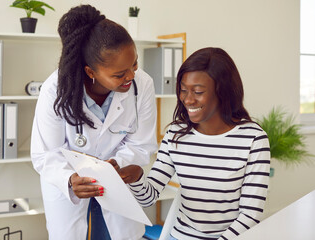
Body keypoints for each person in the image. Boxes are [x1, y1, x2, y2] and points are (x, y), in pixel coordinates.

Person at [30, 4, 157, 240]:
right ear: (91, 71)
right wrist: (69, 180)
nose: (131, 76)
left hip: (118, 183)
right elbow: (45, 154)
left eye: (134, 64)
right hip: (70, 184)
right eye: (119, 74)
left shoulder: (143, 84)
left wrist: (115, 166)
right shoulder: (54, 90)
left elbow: (142, 145)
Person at [116, 47, 270, 240]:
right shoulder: (175, 133)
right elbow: (149, 196)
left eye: (198, 92)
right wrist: (137, 177)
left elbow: (250, 215)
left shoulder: (254, 139)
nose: (188, 100)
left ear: (224, 92)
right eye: (183, 90)